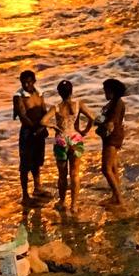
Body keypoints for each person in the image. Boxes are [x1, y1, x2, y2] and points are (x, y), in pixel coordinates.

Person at [52, 79, 95, 212]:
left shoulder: (56, 107)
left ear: (59, 93)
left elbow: (42, 121)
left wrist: (53, 126)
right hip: (75, 139)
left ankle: (62, 202)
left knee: (62, 175)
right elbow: (92, 117)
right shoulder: (78, 105)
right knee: (75, 174)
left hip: (61, 141)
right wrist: (85, 131)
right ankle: (74, 205)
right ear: (72, 91)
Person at [13, 70, 50, 205]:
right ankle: (25, 195)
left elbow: (44, 110)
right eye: (23, 83)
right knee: (25, 165)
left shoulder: (39, 93)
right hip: (27, 133)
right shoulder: (19, 96)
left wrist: (44, 127)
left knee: (37, 161)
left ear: (34, 81)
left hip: (39, 131)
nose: (26, 85)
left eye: (29, 82)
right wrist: (35, 129)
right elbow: (22, 116)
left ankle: (37, 187)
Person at [99, 79, 127, 206]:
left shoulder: (116, 104)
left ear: (111, 91)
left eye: (105, 91)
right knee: (113, 166)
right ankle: (115, 196)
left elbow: (111, 124)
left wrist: (101, 124)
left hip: (112, 138)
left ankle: (119, 198)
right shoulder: (116, 102)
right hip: (116, 136)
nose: (104, 93)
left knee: (106, 169)